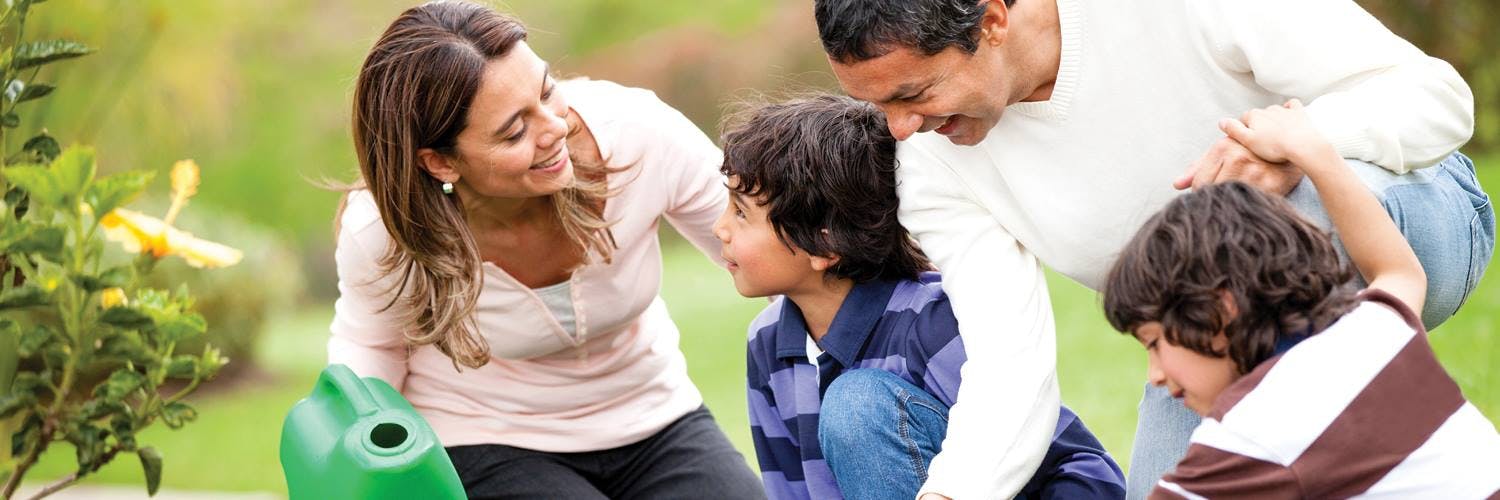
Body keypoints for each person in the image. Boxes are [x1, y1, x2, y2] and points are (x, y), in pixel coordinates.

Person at [813, 0, 1494, 496]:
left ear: (992, 20)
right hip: (1202, 333)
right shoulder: (932, 165)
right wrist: (952, 492)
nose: (899, 129)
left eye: (914, 93)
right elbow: (1007, 359)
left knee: (1288, 217)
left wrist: (1301, 144)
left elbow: (1437, 97)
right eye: (877, 107)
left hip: (1408, 215)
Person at [328, 2, 763, 498]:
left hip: (652, 414)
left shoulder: (638, 132)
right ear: (441, 162)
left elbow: (765, 247)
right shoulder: (384, 230)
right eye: (515, 130)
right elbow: (373, 348)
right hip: (485, 434)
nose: (555, 127)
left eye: (547, 90)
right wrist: (367, 458)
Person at [716, 95, 1126, 500]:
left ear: (824, 245)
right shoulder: (768, 343)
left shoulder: (930, 324)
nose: (720, 228)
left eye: (741, 213)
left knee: (856, 407)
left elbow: (1081, 467)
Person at [1102, 100, 1500, 499]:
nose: (1155, 374)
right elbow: (1398, 271)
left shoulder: (1252, 436)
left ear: (1220, 309)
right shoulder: (1369, 331)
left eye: (1154, 343)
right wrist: (1313, 152)